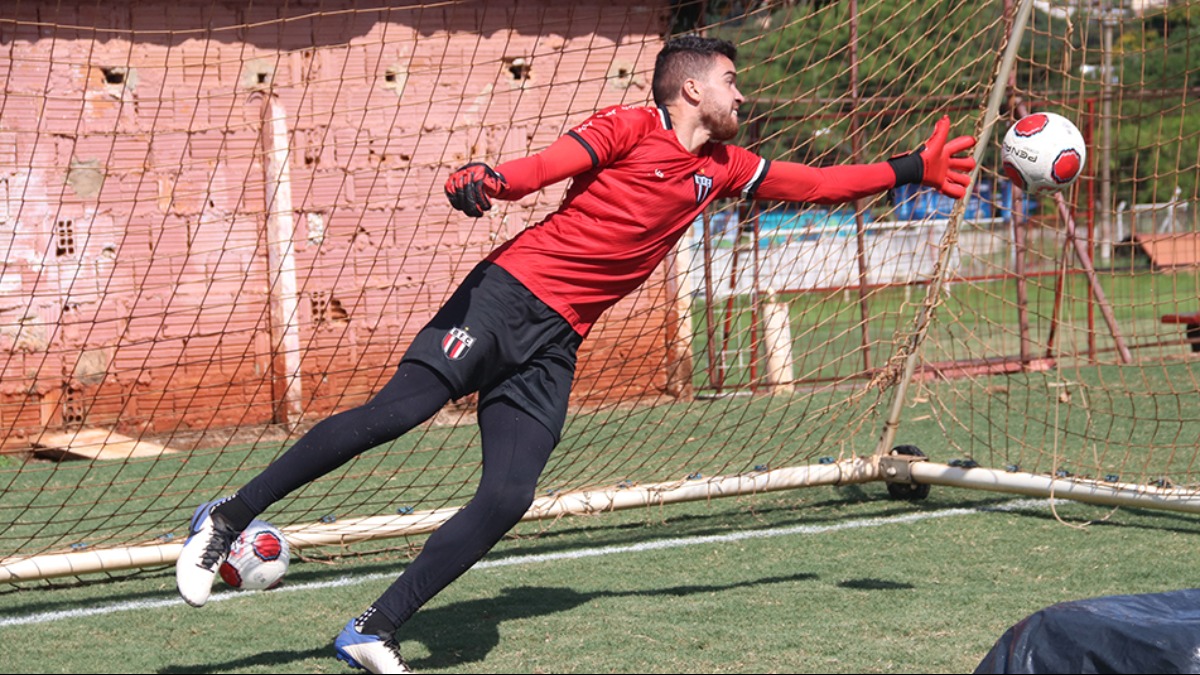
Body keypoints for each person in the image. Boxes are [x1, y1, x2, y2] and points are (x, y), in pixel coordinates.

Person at [175, 35, 975, 674]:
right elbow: (550, 164)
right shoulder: (631, 124)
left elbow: (815, 182)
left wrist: (911, 167)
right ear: (690, 87)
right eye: (731, 78)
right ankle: (227, 518)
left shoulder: (722, 167)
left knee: (508, 494)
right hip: (504, 297)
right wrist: (493, 180)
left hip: (557, 342)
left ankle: (372, 627)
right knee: (399, 412)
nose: (742, 93)